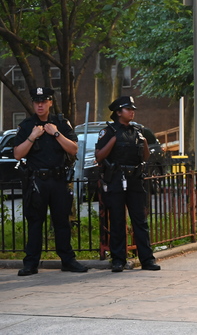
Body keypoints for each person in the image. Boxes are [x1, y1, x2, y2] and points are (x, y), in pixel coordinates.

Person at [13, 87, 87, 276]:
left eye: (44, 101)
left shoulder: (61, 123)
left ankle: (68, 260)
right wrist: (32, 137)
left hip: (59, 180)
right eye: (37, 101)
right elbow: (17, 154)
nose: (40, 105)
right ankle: (31, 263)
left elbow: (73, 149)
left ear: (50, 103)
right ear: (33, 104)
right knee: (35, 222)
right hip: (37, 181)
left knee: (62, 222)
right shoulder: (27, 125)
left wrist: (55, 133)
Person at [95, 96, 160, 272]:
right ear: (118, 112)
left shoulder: (137, 130)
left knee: (140, 220)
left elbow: (145, 157)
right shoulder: (108, 131)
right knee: (117, 221)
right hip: (116, 179)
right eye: (127, 109)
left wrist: (145, 142)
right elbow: (99, 156)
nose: (132, 112)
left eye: (133, 109)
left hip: (134, 180)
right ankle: (118, 259)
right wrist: (114, 139)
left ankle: (147, 259)